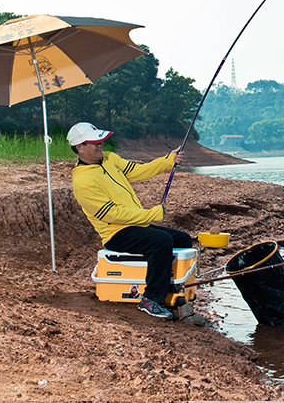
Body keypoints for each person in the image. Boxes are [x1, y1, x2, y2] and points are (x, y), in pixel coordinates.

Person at [67, 121, 202, 324]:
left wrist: (168, 160)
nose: (100, 145)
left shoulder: (110, 159)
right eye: (95, 142)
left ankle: (170, 290)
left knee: (181, 239)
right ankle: (151, 300)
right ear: (80, 148)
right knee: (161, 241)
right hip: (116, 234)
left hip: (136, 226)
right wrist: (149, 215)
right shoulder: (82, 181)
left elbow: (138, 171)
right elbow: (111, 214)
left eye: (101, 141)